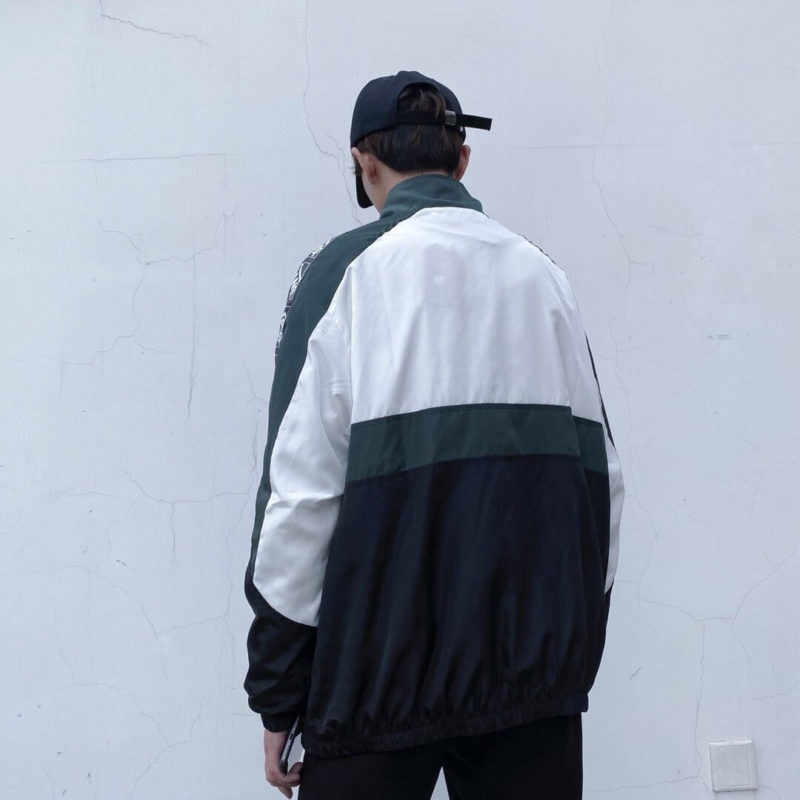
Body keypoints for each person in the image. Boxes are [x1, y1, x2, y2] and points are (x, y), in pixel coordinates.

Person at [244, 70, 624, 799]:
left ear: (363, 163)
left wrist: (278, 692)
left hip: (372, 690)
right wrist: (567, 656)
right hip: (530, 691)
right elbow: (602, 485)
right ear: (463, 159)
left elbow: (297, 499)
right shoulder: (542, 276)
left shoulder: (340, 275)